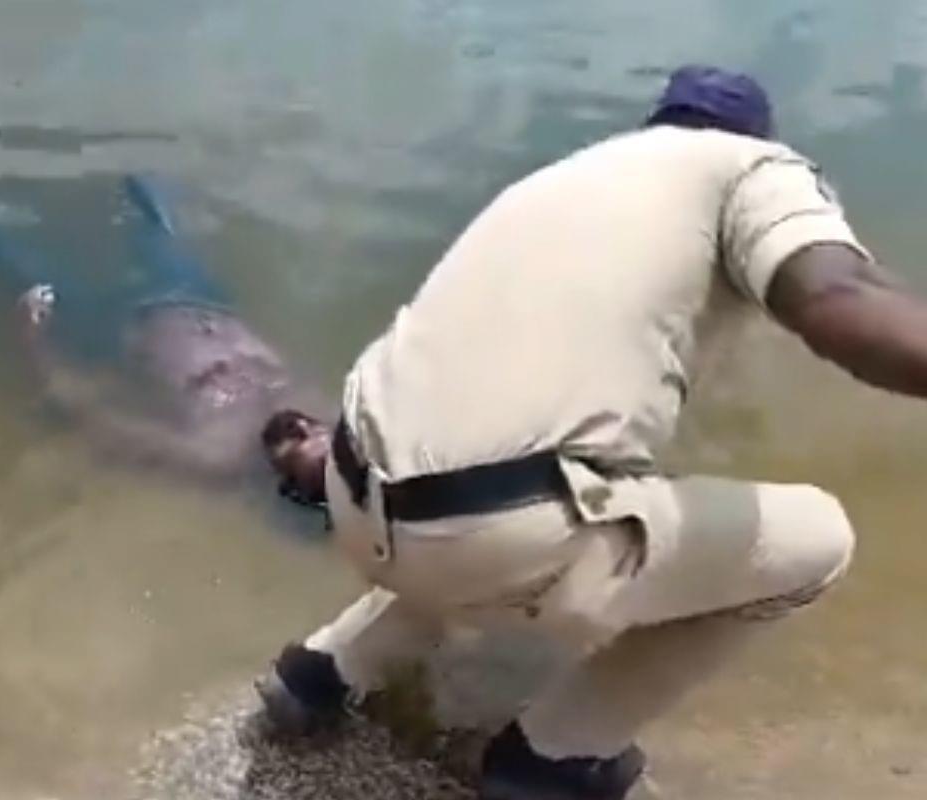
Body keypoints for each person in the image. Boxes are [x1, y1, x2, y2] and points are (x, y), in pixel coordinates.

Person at [255, 65, 920, 800]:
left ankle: (323, 670)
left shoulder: (568, 178)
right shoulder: (751, 171)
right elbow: (838, 295)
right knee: (819, 539)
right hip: (489, 536)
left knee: (480, 476)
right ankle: (556, 755)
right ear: (754, 138)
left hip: (352, 492)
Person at [15, 175, 323, 482]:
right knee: (150, 208)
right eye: (320, 434)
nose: (304, 428)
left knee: (7, 252)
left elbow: (92, 420)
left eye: (300, 444)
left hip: (117, 322)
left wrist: (37, 346)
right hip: (199, 296)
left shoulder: (212, 452)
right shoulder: (335, 414)